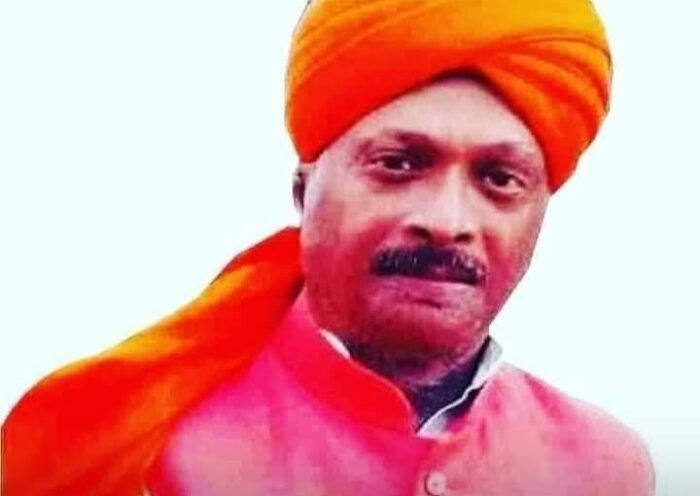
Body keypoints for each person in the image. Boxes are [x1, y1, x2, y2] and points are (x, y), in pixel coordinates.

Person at [2, 0, 655, 495]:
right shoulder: (151, 450)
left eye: (499, 179)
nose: (447, 221)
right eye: (399, 163)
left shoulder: (606, 468)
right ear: (302, 192)